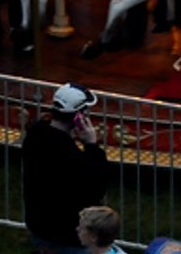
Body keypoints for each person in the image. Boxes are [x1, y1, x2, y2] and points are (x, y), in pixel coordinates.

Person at [21, 83, 115, 254]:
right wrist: (91, 145)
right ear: (79, 116)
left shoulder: (35, 137)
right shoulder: (70, 155)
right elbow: (97, 186)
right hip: (68, 236)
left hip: (39, 226)